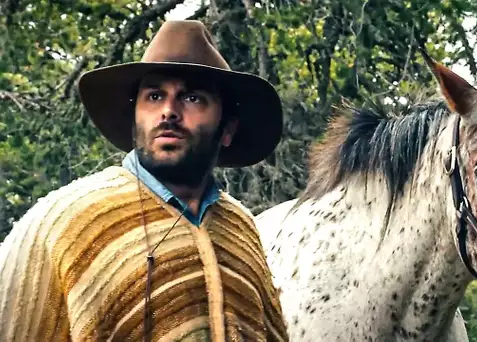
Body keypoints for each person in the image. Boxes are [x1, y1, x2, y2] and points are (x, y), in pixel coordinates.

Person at [0, 20, 288, 342]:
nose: (168, 111)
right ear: (135, 117)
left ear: (229, 129)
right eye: (154, 96)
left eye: (192, 98)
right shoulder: (66, 221)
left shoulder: (241, 228)